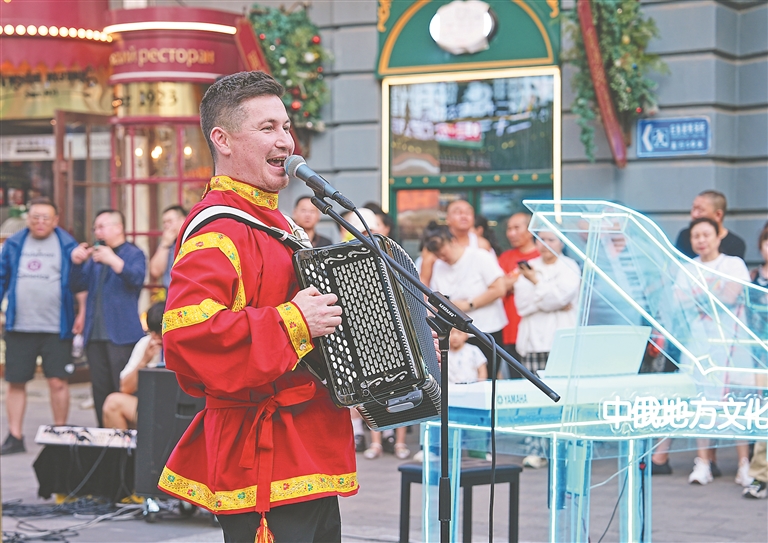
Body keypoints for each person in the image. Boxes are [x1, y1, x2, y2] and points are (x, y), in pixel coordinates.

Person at [157, 71, 357, 543]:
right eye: (267, 128)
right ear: (223, 140)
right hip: (261, 450)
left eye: (286, 127)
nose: (286, 141)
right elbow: (187, 337)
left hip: (310, 438)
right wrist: (294, 321)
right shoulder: (218, 229)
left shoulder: (276, 221)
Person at [0, 198, 85, 455]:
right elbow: (2, 277)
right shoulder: (14, 243)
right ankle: (15, 436)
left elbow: (79, 283)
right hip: (19, 326)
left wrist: (82, 313)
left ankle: (59, 435)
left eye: (45, 218)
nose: (40, 222)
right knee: (16, 381)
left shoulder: (67, 244)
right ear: (28, 218)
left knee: (58, 381)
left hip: (56, 327)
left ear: (55, 220)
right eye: (35, 217)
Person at [673, 218, 753, 486]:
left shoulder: (733, 264)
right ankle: (703, 462)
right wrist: (713, 295)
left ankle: (744, 464)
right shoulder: (687, 268)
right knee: (701, 402)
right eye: (696, 235)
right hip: (699, 343)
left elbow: (731, 295)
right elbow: (679, 301)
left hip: (732, 343)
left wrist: (698, 297)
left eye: (706, 234)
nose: (701, 240)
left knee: (738, 401)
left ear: (718, 236)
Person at [70, 209, 146, 428]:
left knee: (123, 388)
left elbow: (137, 279)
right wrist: (76, 263)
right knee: (99, 390)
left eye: (102, 227)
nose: (97, 232)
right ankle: (103, 439)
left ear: (118, 228)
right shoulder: (96, 257)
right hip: (95, 334)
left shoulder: (133, 253)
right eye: (95, 228)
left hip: (122, 335)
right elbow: (77, 285)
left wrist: (114, 261)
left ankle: (128, 439)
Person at [511, 230, 580, 468]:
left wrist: (537, 284)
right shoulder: (528, 267)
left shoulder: (570, 266)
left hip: (561, 342)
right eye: (540, 239)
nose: (545, 244)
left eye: (551, 239)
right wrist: (551, 299)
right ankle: (535, 449)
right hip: (532, 343)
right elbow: (522, 305)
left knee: (563, 397)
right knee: (534, 398)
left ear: (561, 243)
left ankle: (562, 449)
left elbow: (561, 298)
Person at [424, 223, 508, 369]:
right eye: (437, 255)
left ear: (453, 241)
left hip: (486, 329)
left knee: (487, 376)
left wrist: (469, 304)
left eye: (444, 253)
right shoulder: (439, 266)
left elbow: (499, 288)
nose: (442, 257)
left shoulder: (480, 256)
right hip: (457, 335)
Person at [102, 302, 164, 430]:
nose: (154, 337)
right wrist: (144, 361)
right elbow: (125, 388)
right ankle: (125, 444)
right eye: (151, 332)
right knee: (112, 403)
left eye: (158, 333)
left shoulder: (183, 344)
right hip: (152, 408)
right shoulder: (146, 344)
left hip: (179, 407)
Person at [497, 213, 540, 377]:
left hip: (538, 329)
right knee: (516, 381)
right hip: (510, 330)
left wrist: (513, 280)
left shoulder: (542, 255)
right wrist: (521, 279)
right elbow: (499, 287)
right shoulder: (505, 258)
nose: (511, 233)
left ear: (530, 230)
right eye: (509, 229)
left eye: (516, 228)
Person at [420, 199, 493, 287]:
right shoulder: (435, 244)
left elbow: (492, 278)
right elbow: (424, 280)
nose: (464, 216)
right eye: (458, 212)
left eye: (468, 213)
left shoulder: (482, 244)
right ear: (447, 218)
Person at [675, 190, 746, 259]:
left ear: (718, 215)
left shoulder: (735, 244)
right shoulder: (685, 235)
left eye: (700, 210)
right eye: (693, 209)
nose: (694, 215)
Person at [148, 205, 187, 289]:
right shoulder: (167, 242)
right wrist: (164, 244)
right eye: (164, 222)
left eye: (169, 221)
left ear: (182, 220)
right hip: (170, 292)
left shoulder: (191, 240)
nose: (166, 225)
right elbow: (155, 271)